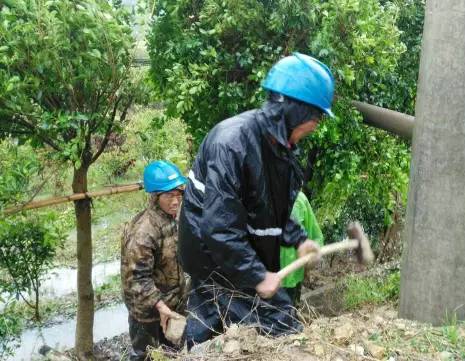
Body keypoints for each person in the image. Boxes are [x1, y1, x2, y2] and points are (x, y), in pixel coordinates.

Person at [178, 52, 334, 345]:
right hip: (215, 261)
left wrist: (299, 239)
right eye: (315, 117)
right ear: (294, 112)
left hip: (237, 255)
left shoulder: (279, 147)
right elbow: (219, 228)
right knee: (284, 327)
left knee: (207, 329)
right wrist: (258, 275)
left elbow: (271, 208)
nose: (316, 125)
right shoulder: (232, 144)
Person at [121, 160, 189, 360]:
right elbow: (137, 279)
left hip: (172, 305)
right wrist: (161, 307)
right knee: (145, 355)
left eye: (178, 194)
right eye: (169, 195)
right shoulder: (143, 231)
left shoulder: (171, 219)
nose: (176, 201)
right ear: (155, 196)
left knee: (174, 353)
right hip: (148, 313)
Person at [281, 191, 324, 304]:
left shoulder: (300, 199)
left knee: (289, 315)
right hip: (265, 280)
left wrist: (310, 261)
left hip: (293, 279)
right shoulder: (258, 196)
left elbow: (316, 237)